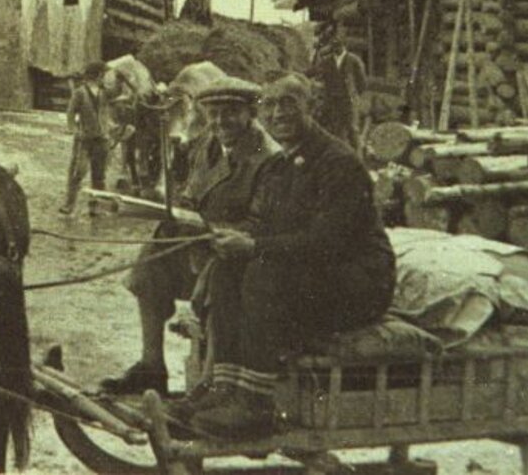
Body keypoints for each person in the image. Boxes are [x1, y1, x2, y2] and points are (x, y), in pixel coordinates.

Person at [185, 72, 395, 437]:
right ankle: (225, 389)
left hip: (360, 283)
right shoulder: (281, 165)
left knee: (263, 272)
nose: (278, 113)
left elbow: (327, 242)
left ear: (312, 106)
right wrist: (236, 237)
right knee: (226, 268)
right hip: (317, 278)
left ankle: (255, 403)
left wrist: (254, 246)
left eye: (289, 103)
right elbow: (270, 227)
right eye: (270, 104)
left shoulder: (337, 162)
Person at [99, 76, 280, 396]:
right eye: (214, 113)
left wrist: (208, 228)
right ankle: (152, 365)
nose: (221, 121)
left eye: (231, 112)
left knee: (218, 276)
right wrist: (171, 210)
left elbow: (262, 224)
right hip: (200, 244)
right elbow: (191, 194)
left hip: (240, 256)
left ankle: (211, 383)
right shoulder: (207, 145)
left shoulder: (267, 157)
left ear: (251, 113)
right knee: (151, 261)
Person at [61, 61, 111, 215]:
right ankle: (69, 205)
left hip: (102, 139)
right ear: (98, 75)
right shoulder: (80, 92)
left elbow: (119, 94)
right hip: (85, 140)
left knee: (99, 176)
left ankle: (94, 207)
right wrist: (74, 129)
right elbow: (71, 112)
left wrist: (123, 81)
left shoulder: (104, 92)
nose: (105, 77)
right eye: (103, 74)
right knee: (78, 172)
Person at [311, 33, 368, 151]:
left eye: (338, 46)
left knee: (352, 129)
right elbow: (314, 71)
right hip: (333, 100)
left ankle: (358, 156)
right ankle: (341, 156)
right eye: (333, 46)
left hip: (348, 100)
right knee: (336, 130)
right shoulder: (327, 61)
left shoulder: (353, 60)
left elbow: (362, 81)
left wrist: (354, 94)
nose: (336, 48)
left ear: (344, 46)